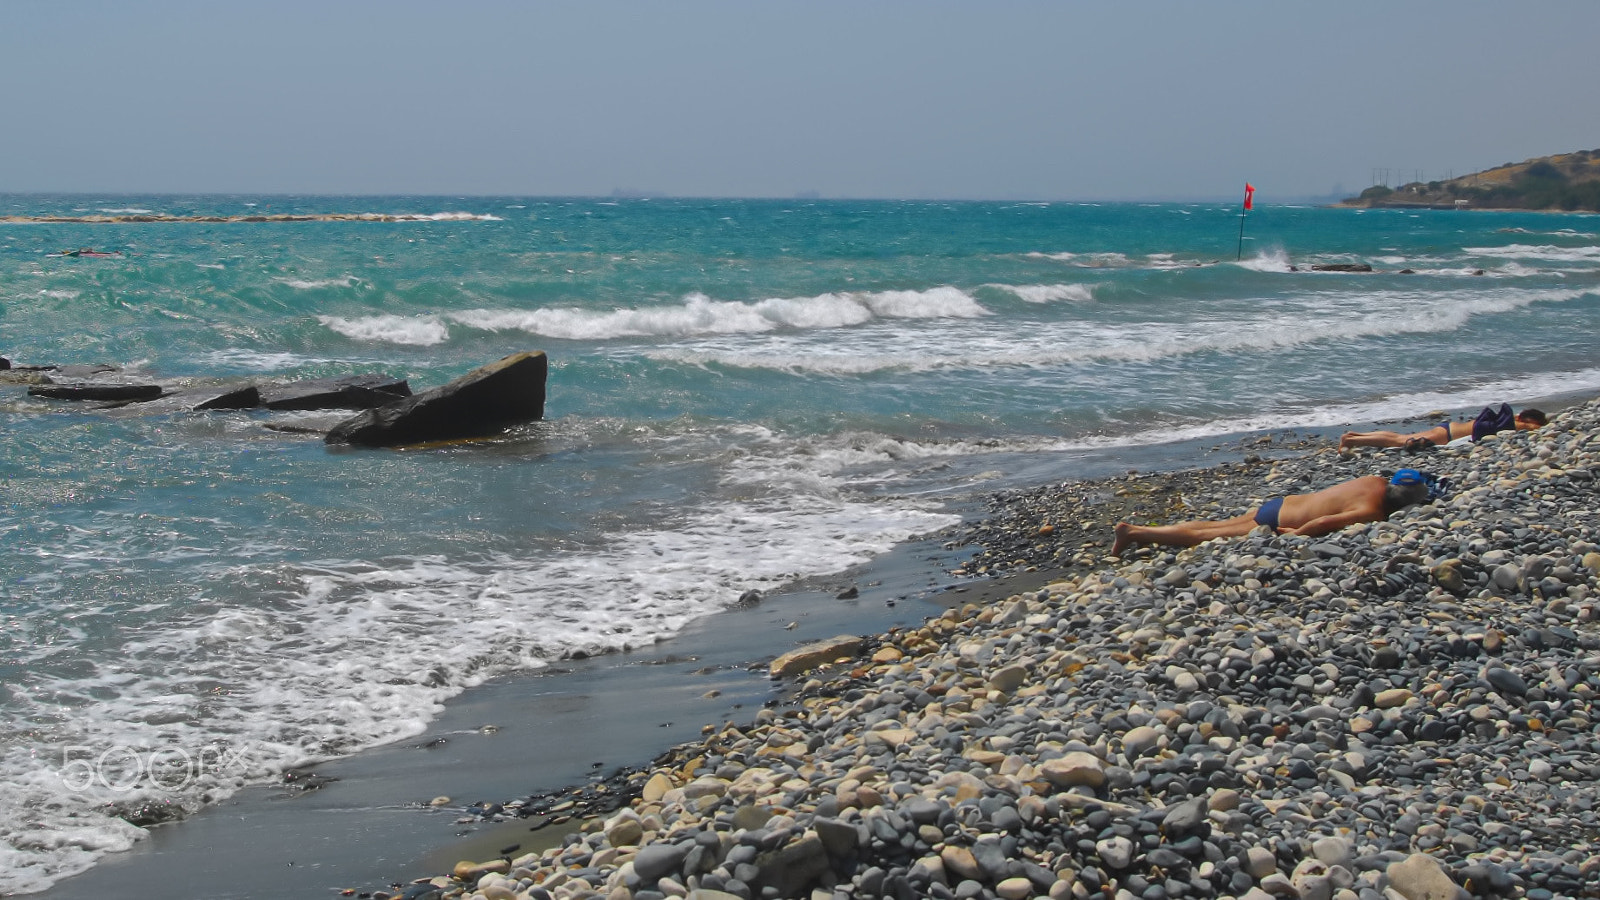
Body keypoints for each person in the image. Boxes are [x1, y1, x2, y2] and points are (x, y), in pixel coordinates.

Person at [1109, 470, 1436, 555]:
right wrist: (1298, 534)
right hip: (1282, 520)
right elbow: (1324, 522)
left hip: (1281, 504)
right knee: (1202, 536)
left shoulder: (1373, 482)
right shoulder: (1372, 512)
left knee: (1212, 524)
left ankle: (1139, 531)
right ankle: (1135, 532)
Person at [1339, 406, 1545, 451]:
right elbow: (1530, 426)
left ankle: (1354, 436)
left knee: (1399, 436)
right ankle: (1351, 441)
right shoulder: (1518, 424)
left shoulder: (1506, 419)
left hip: (1448, 428)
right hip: (1447, 435)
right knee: (1398, 441)